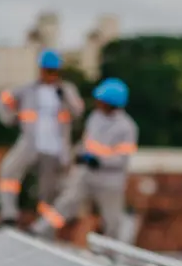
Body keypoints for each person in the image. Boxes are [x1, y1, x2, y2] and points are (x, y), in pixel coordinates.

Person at [30, 77, 138, 240]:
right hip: (86, 174)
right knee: (67, 202)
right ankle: (39, 230)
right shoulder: (94, 118)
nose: (97, 103)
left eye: (101, 100)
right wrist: (77, 156)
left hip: (110, 181)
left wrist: (99, 161)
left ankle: (112, 253)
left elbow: (122, 159)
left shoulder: (126, 127)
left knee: (112, 219)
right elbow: (86, 142)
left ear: (111, 103)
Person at [0, 48, 85, 227]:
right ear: (41, 70)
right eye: (47, 70)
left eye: (53, 71)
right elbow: (2, 101)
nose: (50, 75)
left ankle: (43, 227)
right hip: (30, 142)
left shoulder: (66, 90)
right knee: (8, 170)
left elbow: (78, 111)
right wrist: (11, 118)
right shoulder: (28, 89)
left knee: (48, 191)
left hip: (55, 147)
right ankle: (9, 214)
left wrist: (64, 96)